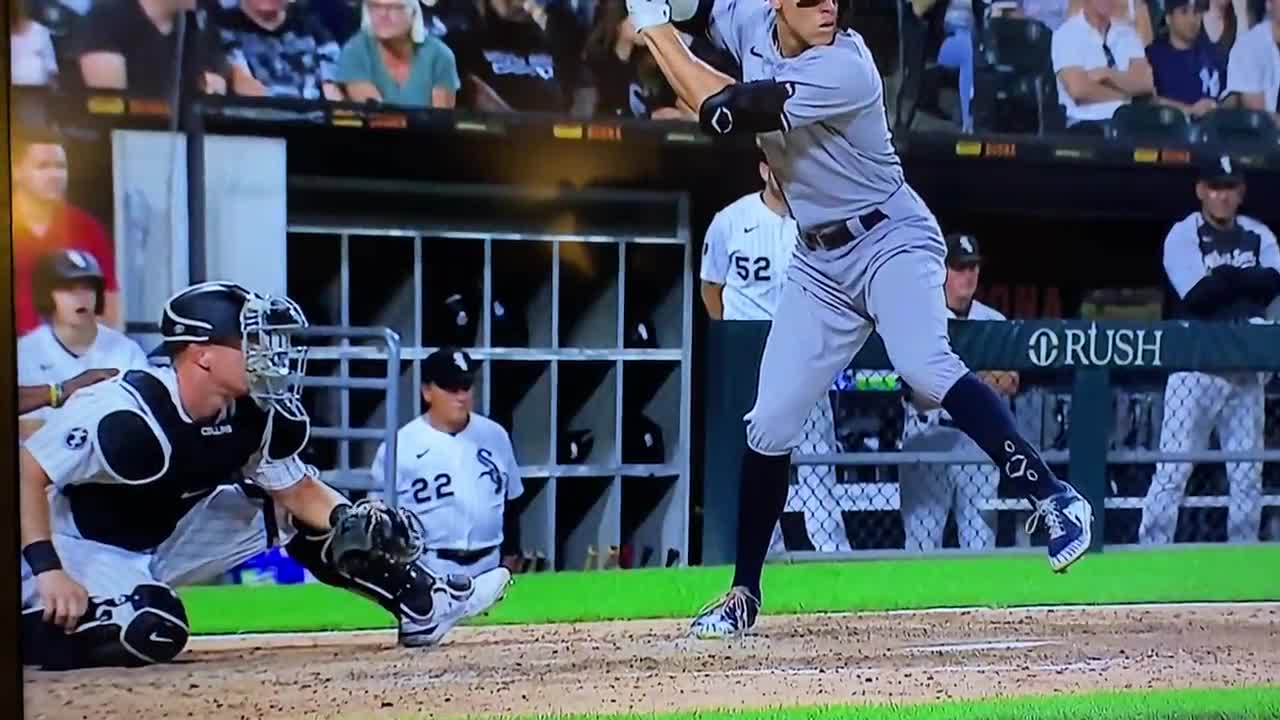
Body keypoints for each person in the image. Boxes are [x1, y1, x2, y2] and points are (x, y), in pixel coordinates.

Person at [623, 0, 1094, 639]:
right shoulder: (750, 24)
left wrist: (652, 28)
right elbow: (703, 11)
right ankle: (743, 594)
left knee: (924, 369)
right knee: (770, 421)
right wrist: (667, 9)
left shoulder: (846, 66)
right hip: (818, 261)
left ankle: (1054, 497)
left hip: (889, 237)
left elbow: (723, 110)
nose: (828, 7)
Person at [18, 281, 510, 670]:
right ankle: (30, 628)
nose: (264, 353)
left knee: (297, 513)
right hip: (80, 547)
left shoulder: (250, 413)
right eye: (248, 341)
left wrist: (353, 517)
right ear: (202, 353)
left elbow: (295, 490)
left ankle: (424, 600)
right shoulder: (125, 412)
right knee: (154, 628)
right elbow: (26, 470)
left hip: (167, 535)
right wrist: (49, 570)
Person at [700, 156, 851, 553]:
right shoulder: (731, 220)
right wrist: (734, 340)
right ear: (764, 169)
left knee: (818, 459)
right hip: (749, 358)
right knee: (759, 458)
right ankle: (764, 553)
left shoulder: (818, 222)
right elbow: (710, 288)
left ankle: (832, 555)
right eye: (778, 167)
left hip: (804, 357)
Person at [1140, 154, 1278, 545]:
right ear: (1201, 190)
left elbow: (1271, 284)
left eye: (1230, 188)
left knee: (1247, 475)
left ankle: (1242, 555)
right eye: (1215, 188)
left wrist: (1225, 277)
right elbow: (1198, 294)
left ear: (1241, 193)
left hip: (1245, 369)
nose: (1222, 196)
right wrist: (1244, 280)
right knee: (1172, 470)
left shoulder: (1259, 234)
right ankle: (1149, 552)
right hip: (1194, 369)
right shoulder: (1183, 234)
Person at [368, 347, 523, 644]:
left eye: (465, 386)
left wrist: (509, 562)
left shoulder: (494, 436)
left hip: (489, 570)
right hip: (430, 571)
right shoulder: (400, 445)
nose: (461, 396)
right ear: (427, 391)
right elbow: (379, 521)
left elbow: (512, 502)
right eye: (450, 388)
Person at [898, 234, 1018, 552]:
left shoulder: (993, 320)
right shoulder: (920, 316)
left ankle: (980, 604)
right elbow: (918, 390)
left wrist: (952, 380)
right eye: (960, 267)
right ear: (942, 271)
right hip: (928, 436)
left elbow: (1010, 381)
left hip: (978, 441)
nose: (969, 275)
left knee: (980, 542)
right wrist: (979, 380)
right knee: (921, 544)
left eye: (973, 267)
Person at [16, 250, 151, 441]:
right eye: (68, 289)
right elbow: (30, 430)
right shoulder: (25, 352)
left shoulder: (127, 350)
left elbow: (142, 420)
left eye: (87, 288)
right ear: (46, 295)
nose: (80, 298)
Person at [11, 131, 121, 336]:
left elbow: (107, 299)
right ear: (16, 171)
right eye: (43, 167)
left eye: (60, 167)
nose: (55, 175)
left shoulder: (86, 227)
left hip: (70, 355)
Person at [335, 0, 462, 108]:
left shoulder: (440, 55)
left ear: (413, 12)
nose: (383, 15)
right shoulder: (355, 50)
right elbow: (375, 117)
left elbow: (441, 124)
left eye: (395, 7)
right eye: (375, 6)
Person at [1052, 0, 1154, 134]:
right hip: (1086, 123)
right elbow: (1080, 91)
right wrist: (1129, 95)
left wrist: (1107, 75)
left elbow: (1145, 84)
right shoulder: (1067, 34)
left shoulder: (1127, 34)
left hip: (1129, 123)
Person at [1146, 0, 1225, 119]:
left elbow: (1229, 95)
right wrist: (1188, 110)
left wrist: (1216, 107)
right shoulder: (1153, 56)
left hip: (1213, 129)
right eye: (1184, 12)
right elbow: (1148, 100)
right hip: (1169, 131)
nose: (1192, 19)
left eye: (1196, 12)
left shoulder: (1214, 54)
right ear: (1168, 17)